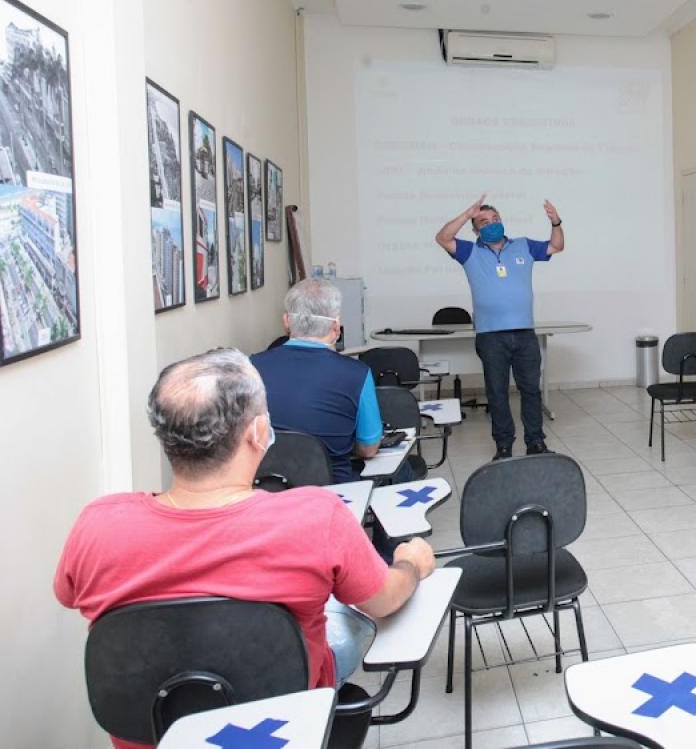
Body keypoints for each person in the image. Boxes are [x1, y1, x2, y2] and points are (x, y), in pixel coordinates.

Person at [54, 349, 437, 749]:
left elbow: (68, 594)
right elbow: (383, 601)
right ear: (257, 432)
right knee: (343, 616)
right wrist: (410, 563)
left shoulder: (97, 524)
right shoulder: (314, 516)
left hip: (152, 736)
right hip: (282, 723)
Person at [435, 195, 564, 459]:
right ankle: (503, 445)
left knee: (530, 390)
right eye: (484, 221)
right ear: (475, 230)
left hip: (525, 333)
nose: (492, 224)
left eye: (495, 219)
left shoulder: (524, 246)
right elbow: (443, 238)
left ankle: (535, 442)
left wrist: (556, 222)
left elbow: (556, 246)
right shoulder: (469, 251)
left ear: (502, 221)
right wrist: (466, 213)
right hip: (490, 336)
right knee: (497, 393)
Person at [250, 279, 383, 484]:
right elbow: (369, 449)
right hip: (333, 492)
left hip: (265, 491)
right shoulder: (358, 373)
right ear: (336, 325)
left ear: (286, 321)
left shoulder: (250, 367)